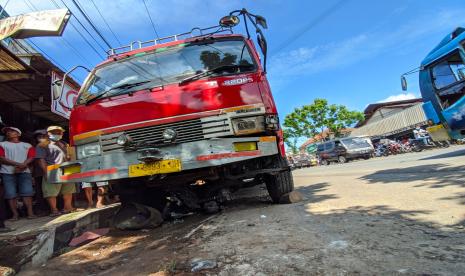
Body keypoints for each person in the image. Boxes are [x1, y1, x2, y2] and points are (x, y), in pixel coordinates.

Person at [36, 126, 75, 216]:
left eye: (59, 132)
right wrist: (46, 172)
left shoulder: (65, 144)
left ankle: (67, 208)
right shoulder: (42, 145)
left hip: (67, 168)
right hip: (52, 169)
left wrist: (70, 159)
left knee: (68, 190)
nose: (58, 134)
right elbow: (41, 160)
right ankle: (54, 210)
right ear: (48, 133)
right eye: (55, 132)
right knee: (51, 192)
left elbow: (71, 156)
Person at [0, 127, 36, 220]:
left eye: (12, 131)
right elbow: (2, 158)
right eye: (7, 132)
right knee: (10, 194)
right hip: (7, 172)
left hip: (24, 171)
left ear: (18, 134)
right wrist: (20, 164)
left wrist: (23, 165)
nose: (9, 132)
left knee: (27, 193)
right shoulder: (2, 144)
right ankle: (15, 215)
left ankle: (30, 213)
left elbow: (32, 157)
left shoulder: (27, 145)